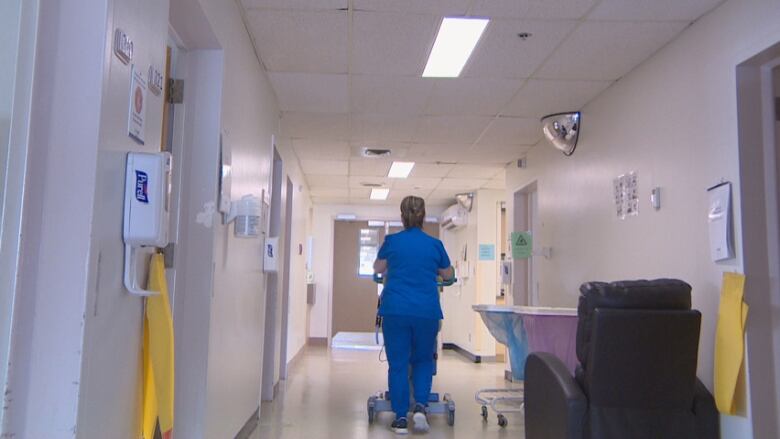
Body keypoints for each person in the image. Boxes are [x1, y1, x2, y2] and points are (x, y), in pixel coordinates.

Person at [373, 196, 454, 434]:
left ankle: (400, 418)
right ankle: (420, 408)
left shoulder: (392, 241)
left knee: (398, 365)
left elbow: (377, 268)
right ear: (424, 216)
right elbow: (447, 273)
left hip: (396, 310)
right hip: (426, 312)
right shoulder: (434, 244)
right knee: (423, 360)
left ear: (402, 216)